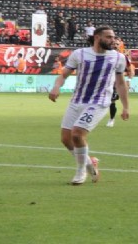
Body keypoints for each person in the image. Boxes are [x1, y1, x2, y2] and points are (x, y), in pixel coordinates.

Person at [48, 26, 129, 185]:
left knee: (77, 134)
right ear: (97, 37)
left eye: (114, 37)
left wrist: (126, 107)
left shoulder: (118, 57)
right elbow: (64, 74)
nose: (113, 40)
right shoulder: (80, 54)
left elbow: (120, 83)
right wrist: (56, 87)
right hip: (77, 100)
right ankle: (90, 164)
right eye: (109, 37)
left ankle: (80, 172)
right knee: (66, 139)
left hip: (98, 102)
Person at [107, 45, 135, 128]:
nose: (115, 49)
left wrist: (128, 80)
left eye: (116, 48)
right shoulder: (105, 57)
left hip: (116, 84)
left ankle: (111, 119)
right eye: (113, 48)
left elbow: (131, 71)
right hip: (105, 83)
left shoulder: (123, 59)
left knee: (112, 101)